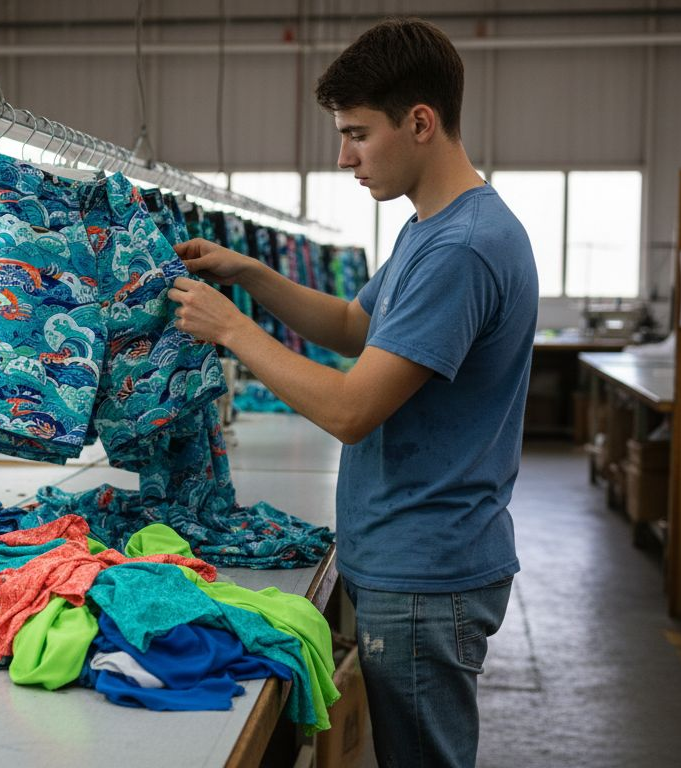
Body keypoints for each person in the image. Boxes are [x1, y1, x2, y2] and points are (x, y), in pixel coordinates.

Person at [168, 17, 538, 768]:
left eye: (359, 134)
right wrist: (253, 276)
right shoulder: (430, 231)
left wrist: (233, 330)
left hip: (425, 573)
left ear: (421, 123)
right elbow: (349, 324)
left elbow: (350, 409)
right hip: (410, 556)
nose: (345, 158)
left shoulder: (460, 250)